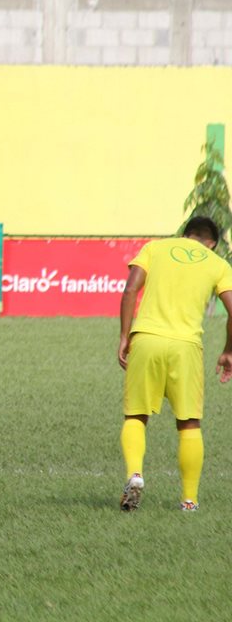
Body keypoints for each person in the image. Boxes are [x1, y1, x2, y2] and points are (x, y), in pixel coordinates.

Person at [117, 216, 232, 511]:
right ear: (212, 243)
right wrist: (228, 351)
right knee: (189, 423)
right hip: (186, 347)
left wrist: (124, 336)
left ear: (185, 234)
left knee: (136, 415)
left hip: (146, 339)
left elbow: (130, 290)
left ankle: (135, 474)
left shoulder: (155, 248)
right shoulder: (218, 263)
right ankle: (189, 501)